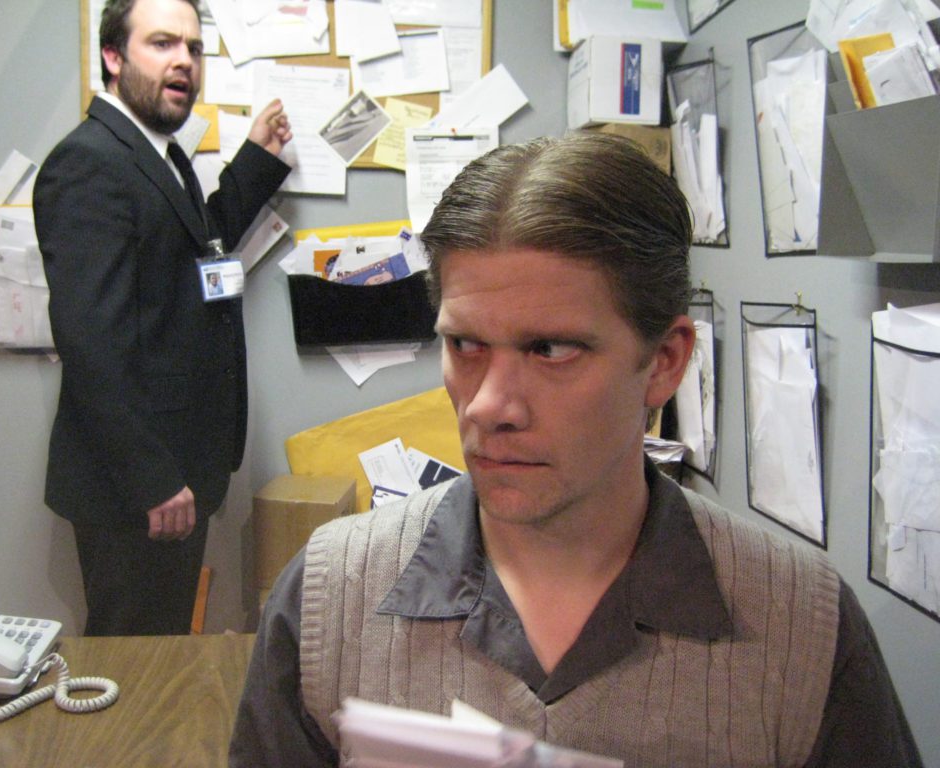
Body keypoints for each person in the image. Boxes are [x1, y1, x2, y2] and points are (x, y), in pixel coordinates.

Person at [228, 133, 923, 767]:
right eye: (465, 344)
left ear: (664, 362)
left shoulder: (804, 626)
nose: (488, 406)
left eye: (551, 349)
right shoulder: (327, 600)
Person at [34, 0, 292, 636]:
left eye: (194, 47)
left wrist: (257, 162)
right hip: (140, 487)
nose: (183, 60)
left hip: (174, 471)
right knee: (134, 664)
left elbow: (196, 249)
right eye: (162, 43)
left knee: (159, 653)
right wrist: (151, 478)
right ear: (113, 58)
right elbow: (89, 341)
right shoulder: (90, 162)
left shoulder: (159, 157)